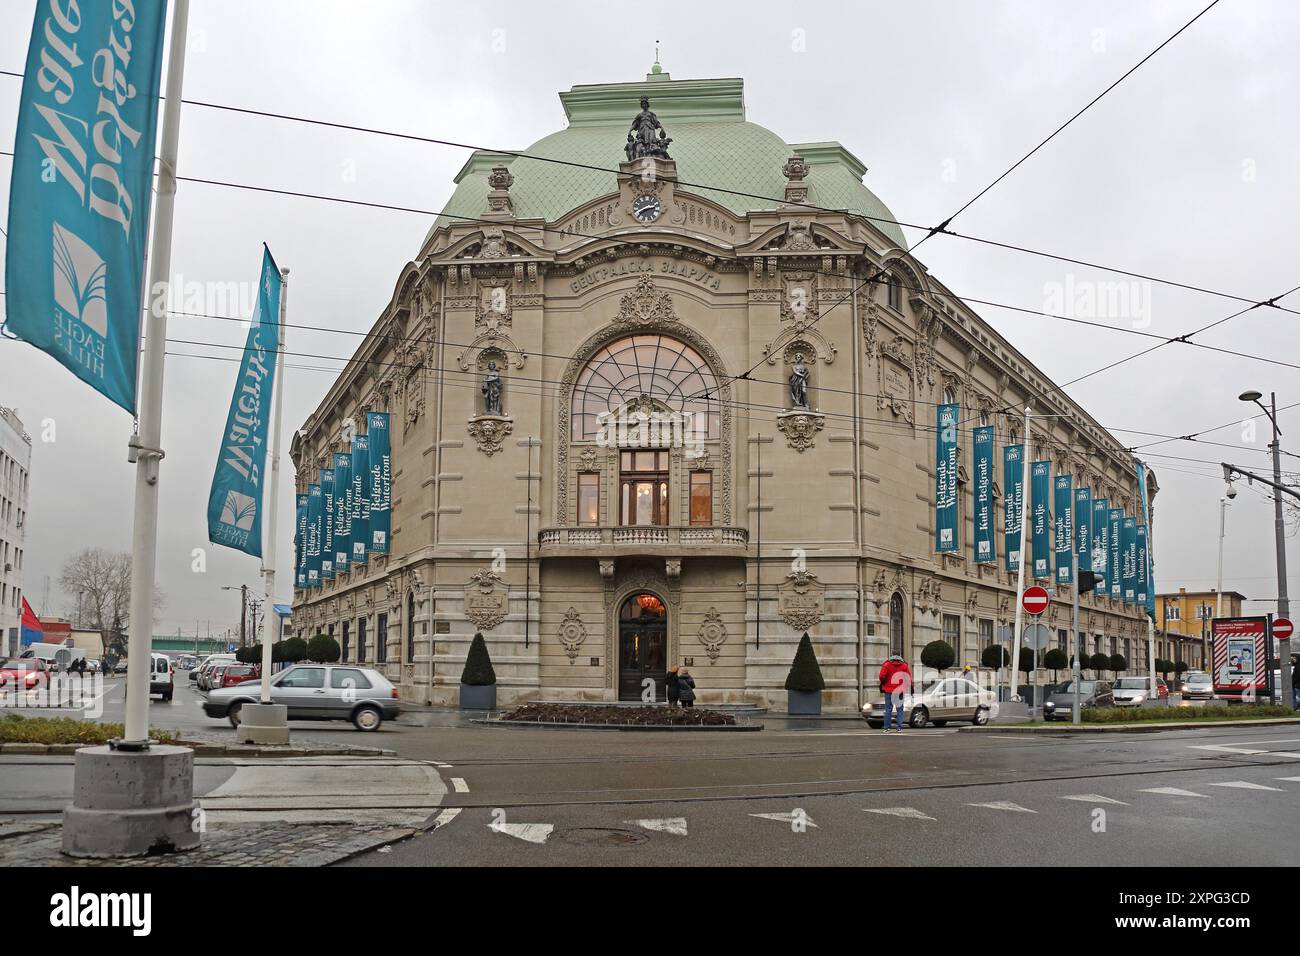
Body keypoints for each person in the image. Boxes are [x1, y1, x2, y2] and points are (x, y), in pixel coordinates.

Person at [877, 654, 912, 733]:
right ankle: (899, 728)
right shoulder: (904, 666)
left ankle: (887, 728)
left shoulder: (887, 664)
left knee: (888, 709)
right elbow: (908, 677)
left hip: (889, 690)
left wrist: (884, 682)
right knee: (900, 710)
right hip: (900, 690)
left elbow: (881, 676)